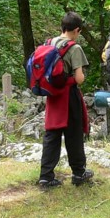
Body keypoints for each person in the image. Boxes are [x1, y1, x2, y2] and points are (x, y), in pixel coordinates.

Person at [38, 11, 94, 188]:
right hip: (68, 96)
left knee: (52, 134)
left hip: (52, 96)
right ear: (77, 30)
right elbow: (78, 78)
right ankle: (79, 173)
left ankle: (46, 176)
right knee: (74, 134)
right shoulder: (74, 48)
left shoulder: (49, 43)